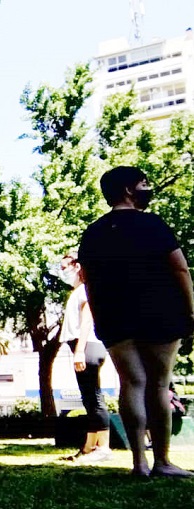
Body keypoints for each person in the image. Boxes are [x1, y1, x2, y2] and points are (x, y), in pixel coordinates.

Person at [79, 165, 194, 478]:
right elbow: (180, 269)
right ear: (129, 190)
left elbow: (88, 281)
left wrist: (101, 317)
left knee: (131, 382)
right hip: (160, 312)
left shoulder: (93, 233)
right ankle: (163, 462)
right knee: (158, 384)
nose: (147, 187)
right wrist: (190, 311)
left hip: (116, 316)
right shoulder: (152, 224)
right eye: (144, 183)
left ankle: (138, 464)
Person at [57, 253, 112, 463]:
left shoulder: (86, 290)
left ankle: (104, 448)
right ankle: (89, 448)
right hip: (84, 346)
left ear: (77, 266)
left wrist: (80, 350)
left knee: (94, 397)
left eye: (65, 267)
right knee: (89, 398)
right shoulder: (78, 291)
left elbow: (87, 320)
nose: (63, 272)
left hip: (88, 346)